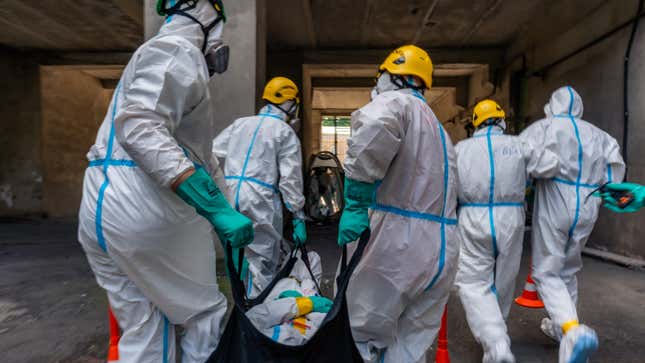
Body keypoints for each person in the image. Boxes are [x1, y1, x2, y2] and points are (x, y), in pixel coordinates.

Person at [77, 1, 254, 362]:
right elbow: (141, 126)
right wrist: (216, 209)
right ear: (209, 20)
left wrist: (228, 211)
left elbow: (202, 160)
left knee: (144, 321)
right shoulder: (178, 50)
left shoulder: (148, 57)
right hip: (145, 206)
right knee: (202, 316)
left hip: (100, 206)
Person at [337, 45, 459, 363]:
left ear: (392, 74)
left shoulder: (393, 103)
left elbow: (372, 136)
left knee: (361, 334)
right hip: (442, 249)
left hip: (396, 247)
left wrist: (354, 201)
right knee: (409, 344)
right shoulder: (439, 130)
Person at [520, 86, 625, 363]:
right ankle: (562, 329)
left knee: (546, 271)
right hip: (589, 202)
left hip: (556, 197)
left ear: (551, 105)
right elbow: (615, 173)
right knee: (568, 267)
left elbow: (523, 161)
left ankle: (573, 330)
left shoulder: (544, 127)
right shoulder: (600, 136)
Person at [454, 100, 559, 363]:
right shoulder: (520, 144)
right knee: (504, 278)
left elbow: (447, 184)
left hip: (472, 215)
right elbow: (551, 165)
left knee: (473, 281)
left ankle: (496, 343)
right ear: (502, 121)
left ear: (475, 123)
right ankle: (497, 336)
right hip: (510, 216)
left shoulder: (460, 149)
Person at [213, 76, 307, 297]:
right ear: (291, 103)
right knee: (262, 259)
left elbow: (212, 151)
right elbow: (290, 180)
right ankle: (258, 316)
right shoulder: (284, 132)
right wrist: (298, 216)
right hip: (260, 199)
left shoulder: (240, 124)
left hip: (230, 193)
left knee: (235, 257)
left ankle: (240, 306)